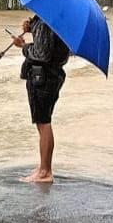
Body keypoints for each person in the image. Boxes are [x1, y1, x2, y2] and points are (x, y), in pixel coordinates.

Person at [12, 14, 71, 183]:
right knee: (42, 122)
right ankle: (43, 166)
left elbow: (41, 53)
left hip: (43, 76)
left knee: (43, 122)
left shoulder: (48, 20)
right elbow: (49, 44)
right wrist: (32, 28)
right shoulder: (57, 19)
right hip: (51, 75)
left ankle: (45, 171)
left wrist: (22, 46)